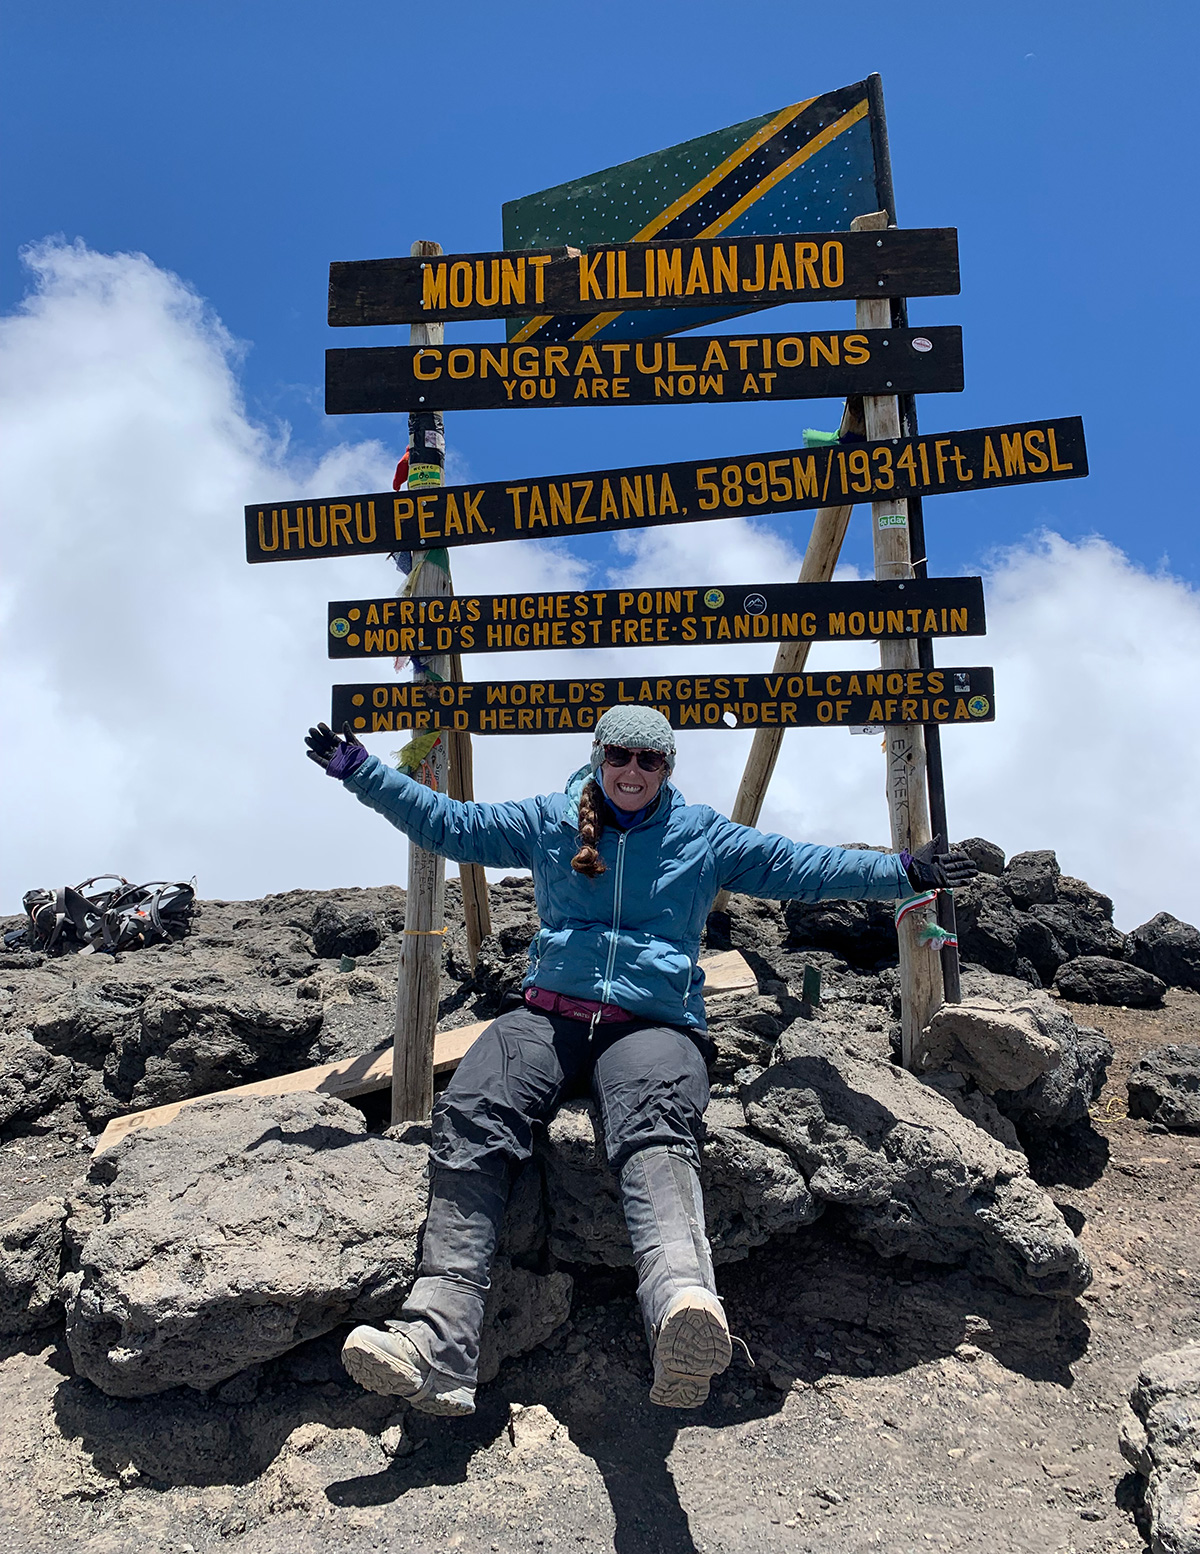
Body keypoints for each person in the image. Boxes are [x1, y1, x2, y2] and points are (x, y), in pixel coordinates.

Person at [304, 708, 976, 1416]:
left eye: (649, 761)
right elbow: (451, 825)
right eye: (620, 757)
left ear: (667, 769)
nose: (632, 772)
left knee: (654, 1125)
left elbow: (801, 867)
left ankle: (683, 1304)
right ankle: (436, 1342)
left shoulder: (700, 835)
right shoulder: (549, 821)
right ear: (598, 757)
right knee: (475, 1107)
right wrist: (363, 773)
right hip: (548, 1015)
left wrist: (905, 870)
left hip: (654, 1023)